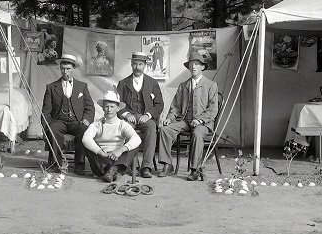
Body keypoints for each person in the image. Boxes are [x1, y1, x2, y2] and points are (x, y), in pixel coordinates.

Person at [156, 51, 219, 181]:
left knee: (197, 133)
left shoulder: (211, 85)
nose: (193, 67)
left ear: (202, 67)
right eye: (191, 64)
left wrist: (200, 120)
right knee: (164, 130)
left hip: (203, 123)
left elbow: (213, 109)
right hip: (185, 120)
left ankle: (195, 169)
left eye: (197, 64)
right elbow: (176, 108)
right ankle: (167, 164)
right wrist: (169, 118)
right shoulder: (183, 86)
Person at [42, 54, 95, 174]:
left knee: (84, 130)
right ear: (60, 69)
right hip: (59, 121)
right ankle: (56, 163)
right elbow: (46, 111)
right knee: (53, 129)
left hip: (76, 121)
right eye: (63, 69)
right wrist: (46, 128)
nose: (65, 72)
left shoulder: (82, 86)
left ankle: (79, 164)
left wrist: (86, 119)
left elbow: (90, 107)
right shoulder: (51, 87)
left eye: (68, 69)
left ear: (73, 69)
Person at [115, 51, 164, 177]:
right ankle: (134, 165)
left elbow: (159, 104)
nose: (137, 67)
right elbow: (117, 103)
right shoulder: (123, 83)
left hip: (145, 117)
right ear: (131, 64)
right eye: (135, 64)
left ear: (145, 65)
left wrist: (148, 115)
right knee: (127, 129)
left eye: (140, 64)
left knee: (152, 128)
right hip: (129, 117)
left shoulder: (152, 83)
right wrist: (126, 114)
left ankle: (146, 166)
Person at [82, 89, 142, 182]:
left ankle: (113, 170)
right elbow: (86, 139)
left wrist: (120, 150)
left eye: (112, 107)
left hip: (118, 159)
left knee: (134, 146)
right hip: (101, 161)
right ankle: (111, 171)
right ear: (102, 108)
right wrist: (102, 153)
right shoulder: (97, 124)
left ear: (118, 108)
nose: (109, 110)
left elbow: (136, 139)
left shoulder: (122, 124)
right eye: (106, 107)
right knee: (86, 143)